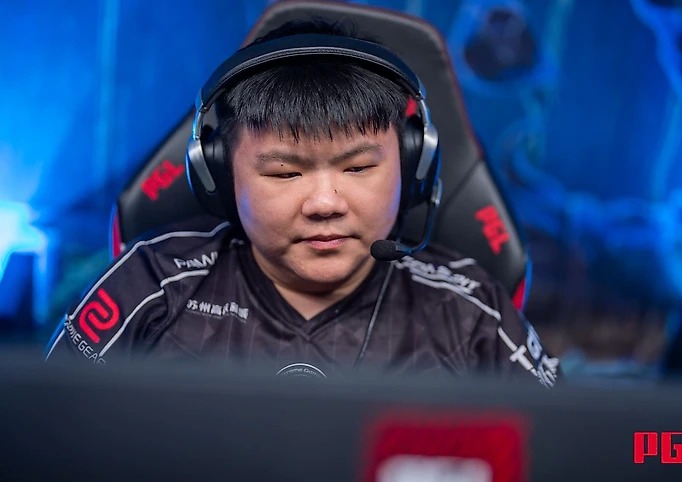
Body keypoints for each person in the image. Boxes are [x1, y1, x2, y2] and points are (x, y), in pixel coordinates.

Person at [44, 18, 560, 387]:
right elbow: (46, 436)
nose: (324, 203)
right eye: (284, 173)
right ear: (219, 175)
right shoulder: (150, 285)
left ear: (412, 167)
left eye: (358, 168)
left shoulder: (471, 315)